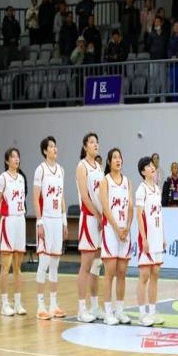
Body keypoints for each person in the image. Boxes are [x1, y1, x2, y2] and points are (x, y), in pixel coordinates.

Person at [33, 136, 68, 320]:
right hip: (45, 220)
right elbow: (35, 197)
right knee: (44, 263)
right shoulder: (40, 170)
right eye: (52, 146)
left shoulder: (61, 170)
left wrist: (64, 221)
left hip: (57, 220)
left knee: (55, 264)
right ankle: (41, 305)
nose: (55, 149)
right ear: (45, 151)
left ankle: (53, 304)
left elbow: (61, 197)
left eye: (56, 146)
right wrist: (39, 222)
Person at [99, 148, 133, 325]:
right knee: (110, 273)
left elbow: (130, 206)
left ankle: (119, 311)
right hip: (111, 231)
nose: (118, 160)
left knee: (122, 273)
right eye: (114, 157)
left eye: (120, 157)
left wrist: (127, 227)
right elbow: (105, 208)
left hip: (124, 232)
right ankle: (107, 312)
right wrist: (117, 229)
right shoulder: (105, 181)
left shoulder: (127, 181)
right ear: (109, 162)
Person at [75, 133, 105, 323]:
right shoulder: (82, 166)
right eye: (91, 142)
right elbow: (85, 196)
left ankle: (94, 306)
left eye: (97, 142)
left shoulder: (99, 167)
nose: (95, 144)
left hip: (100, 220)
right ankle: (81, 308)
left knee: (96, 265)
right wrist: (97, 214)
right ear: (85, 146)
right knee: (85, 266)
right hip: (89, 218)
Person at [0, 148, 27, 316]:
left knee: (18, 267)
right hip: (8, 222)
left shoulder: (21, 178)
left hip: (20, 221)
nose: (16, 159)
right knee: (5, 266)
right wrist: (0, 225)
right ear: (7, 161)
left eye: (17, 156)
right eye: (13, 157)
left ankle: (18, 303)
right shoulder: (2, 179)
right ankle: (4, 304)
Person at [136, 156, 167, 327]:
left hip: (157, 237)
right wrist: (144, 239)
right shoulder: (141, 190)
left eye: (152, 165)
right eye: (148, 166)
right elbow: (139, 216)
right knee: (144, 276)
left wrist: (163, 237)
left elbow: (159, 215)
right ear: (143, 171)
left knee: (155, 274)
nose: (152, 167)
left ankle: (153, 311)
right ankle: (142, 314)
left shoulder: (157, 189)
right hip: (147, 238)